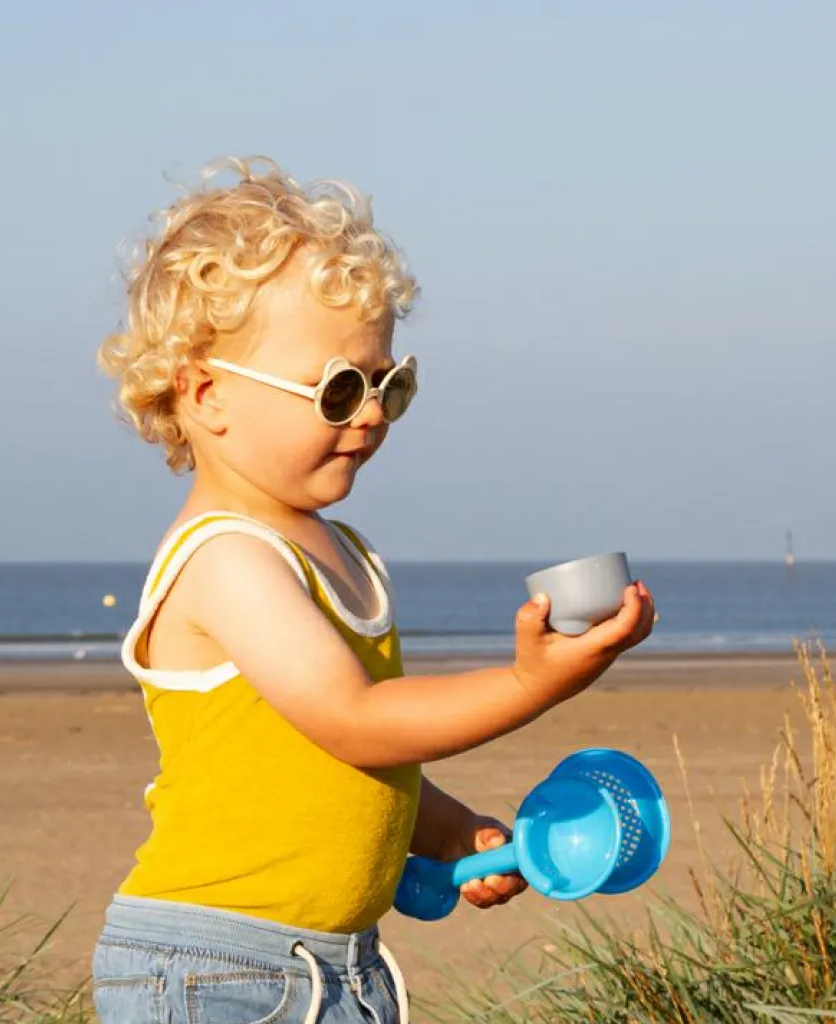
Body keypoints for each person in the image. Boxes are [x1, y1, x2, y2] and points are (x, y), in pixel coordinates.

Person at [91, 156, 656, 1024]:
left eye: (389, 384)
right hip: (212, 966)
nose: (372, 413)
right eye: (338, 389)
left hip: (338, 966)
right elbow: (356, 720)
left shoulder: (342, 551)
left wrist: (448, 830)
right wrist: (531, 684)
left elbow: (348, 762)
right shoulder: (228, 560)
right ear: (206, 395)